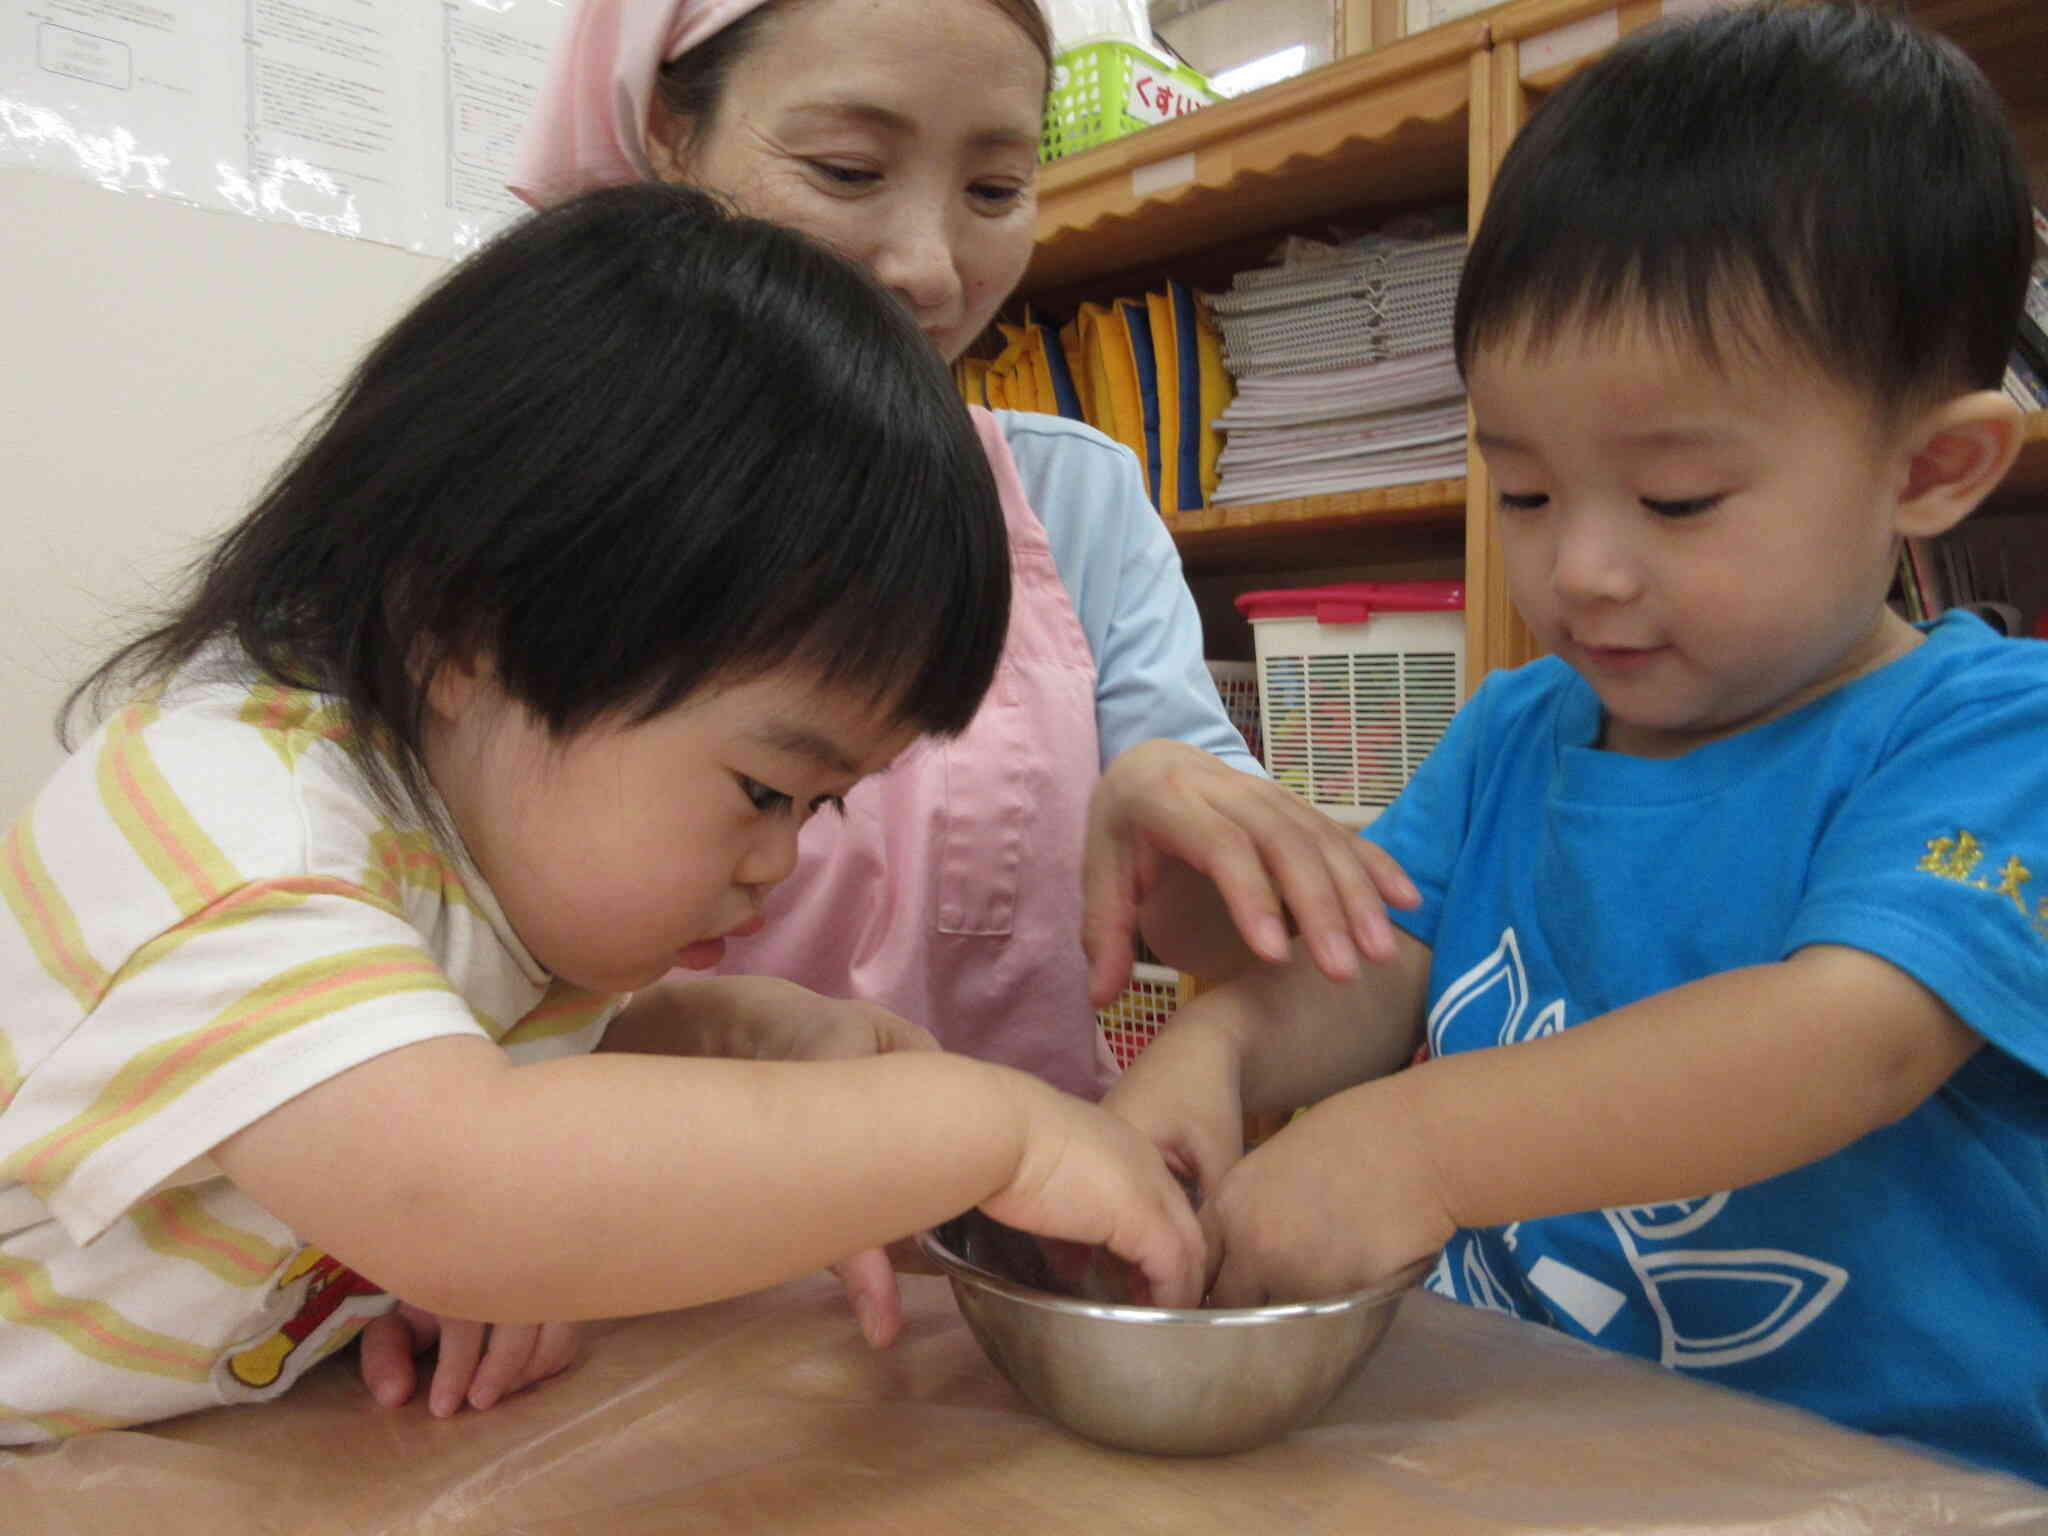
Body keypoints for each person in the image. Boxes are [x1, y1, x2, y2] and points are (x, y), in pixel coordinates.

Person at [0, 182, 1208, 1444]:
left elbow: (447, 1152)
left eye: (820, 807)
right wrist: (989, 1131)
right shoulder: (235, 833)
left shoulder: (478, 859)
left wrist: (712, 1041)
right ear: (466, 629)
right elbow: (460, 1188)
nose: (778, 865)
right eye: (763, 790)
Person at [1102, 1, 2047, 1486]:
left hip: (1887, 1479)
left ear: (1933, 468)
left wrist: (1415, 1148)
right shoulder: (1519, 728)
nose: (1581, 571)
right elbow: (1369, 968)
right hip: (1521, 1425)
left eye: (1675, 501)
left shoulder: (1993, 740)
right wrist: (1216, 1049)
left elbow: (1844, 1042)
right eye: (1527, 493)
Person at [509, 0, 1420, 1109]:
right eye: (846, 169)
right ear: (665, 132)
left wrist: (1184, 817)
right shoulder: (536, 488)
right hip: (652, 1239)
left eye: (994, 190)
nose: (930, 270)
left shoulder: (1072, 500)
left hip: (997, 1242)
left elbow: (1234, 944)